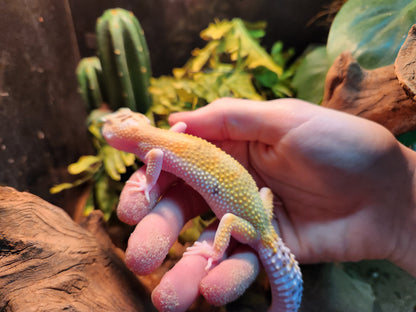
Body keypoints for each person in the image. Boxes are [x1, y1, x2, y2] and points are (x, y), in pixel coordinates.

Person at [117, 98, 416, 312]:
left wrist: (213, 250)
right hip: (262, 209)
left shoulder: (151, 147)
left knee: (229, 222)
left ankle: (215, 252)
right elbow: (178, 129)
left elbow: (231, 222)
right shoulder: (159, 137)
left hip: (256, 225)